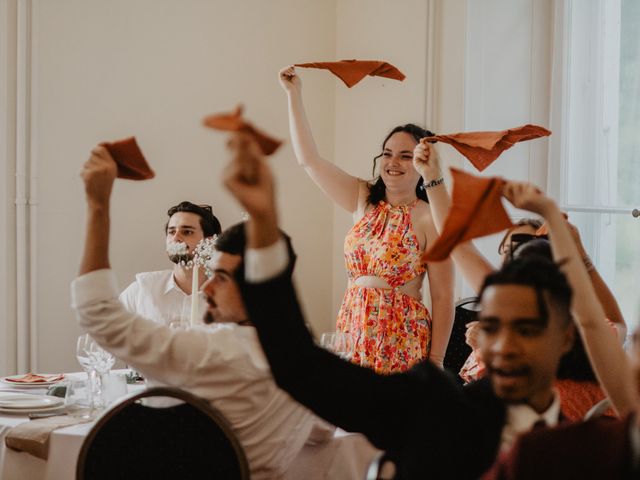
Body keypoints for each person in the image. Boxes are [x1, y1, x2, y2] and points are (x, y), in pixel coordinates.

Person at [219, 133, 607, 479]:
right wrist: (263, 226)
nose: (503, 345)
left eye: (526, 329)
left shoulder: (589, 446)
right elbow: (302, 367)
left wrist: (558, 228)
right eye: (492, 327)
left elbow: (600, 321)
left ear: (567, 337)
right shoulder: (434, 404)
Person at [72, 144, 378, 480]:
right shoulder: (310, 369)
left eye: (221, 277)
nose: (208, 287)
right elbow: (322, 433)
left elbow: (99, 313)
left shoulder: (208, 352)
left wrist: (97, 204)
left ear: (257, 288)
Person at [413, 141, 627, 419]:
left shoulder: (574, 319)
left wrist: (578, 251)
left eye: (526, 246)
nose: (515, 256)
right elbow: (458, 245)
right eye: (508, 250)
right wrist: (432, 177)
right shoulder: (503, 297)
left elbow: (614, 324)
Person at [278, 65, 454, 373]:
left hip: (402, 336)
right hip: (352, 329)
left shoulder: (429, 217)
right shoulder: (362, 198)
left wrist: (436, 362)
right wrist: (294, 95)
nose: (392, 162)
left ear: (423, 162)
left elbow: (442, 295)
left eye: (404, 155)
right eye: (387, 153)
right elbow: (309, 160)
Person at [119, 201, 221, 326]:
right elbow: (105, 332)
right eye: (172, 232)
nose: (175, 238)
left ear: (209, 241)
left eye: (187, 232)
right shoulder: (142, 290)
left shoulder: (228, 297)